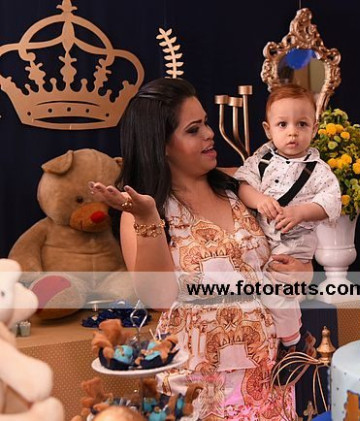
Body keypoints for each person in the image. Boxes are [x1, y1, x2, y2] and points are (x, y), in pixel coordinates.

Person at [90, 78, 312, 420]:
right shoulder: (145, 210)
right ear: (162, 144)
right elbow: (159, 298)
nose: (210, 134)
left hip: (268, 377)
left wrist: (303, 271)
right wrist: (147, 218)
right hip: (196, 387)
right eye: (194, 130)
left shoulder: (241, 186)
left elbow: (289, 252)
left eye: (206, 123)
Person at [234, 84, 341, 347]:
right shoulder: (260, 162)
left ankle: (292, 339)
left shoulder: (318, 169)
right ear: (268, 129)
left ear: (314, 129)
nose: (292, 132)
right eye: (282, 125)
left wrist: (301, 212)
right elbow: (242, 186)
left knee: (280, 287)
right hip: (263, 241)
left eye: (302, 124)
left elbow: (331, 202)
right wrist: (260, 200)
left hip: (294, 247)